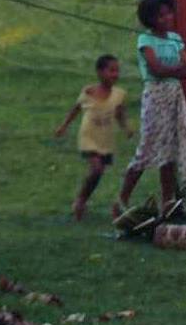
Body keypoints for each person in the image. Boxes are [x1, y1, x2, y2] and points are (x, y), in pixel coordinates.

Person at [114, 0, 186, 221]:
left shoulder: (176, 38)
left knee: (170, 150)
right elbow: (155, 69)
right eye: (160, 15)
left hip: (175, 96)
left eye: (168, 13)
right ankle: (121, 199)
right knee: (149, 147)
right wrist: (174, 70)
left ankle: (168, 203)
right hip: (155, 96)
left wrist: (170, 70)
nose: (166, 18)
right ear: (150, 18)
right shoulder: (145, 40)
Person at [53, 54, 131, 220]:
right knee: (96, 168)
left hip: (106, 139)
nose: (115, 74)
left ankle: (83, 198)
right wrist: (64, 126)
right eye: (111, 70)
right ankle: (80, 201)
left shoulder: (119, 94)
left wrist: (126, 128)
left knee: (98, 173)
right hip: (89, 138)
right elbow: (76, 109)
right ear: (100, 72)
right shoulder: (88, 92)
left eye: (117, 71)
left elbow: (120, 113)